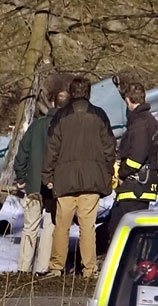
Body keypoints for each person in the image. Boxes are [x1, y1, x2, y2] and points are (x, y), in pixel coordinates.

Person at [41, 77, 116, 279]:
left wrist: (47, 174)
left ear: (71, 92)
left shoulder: (60, 116)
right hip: (92, 180)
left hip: (64, 179)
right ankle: (89, 268)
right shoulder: (100, 115)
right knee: (87, 226)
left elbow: (51, 149)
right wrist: (107, 172)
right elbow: (110, 148)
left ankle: (57, 267)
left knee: (62, 226)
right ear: (89, 93)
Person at [14, 90, 71, 274]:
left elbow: (23, 151)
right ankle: (43, 266)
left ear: (53, 103)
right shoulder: (66, 128)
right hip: (55, 185)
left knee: (29, 227)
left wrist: (21, 176)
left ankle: (23, 267)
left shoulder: (37, 126)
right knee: (50, 225)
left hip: (33, 184)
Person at [108, 82, 158, 237]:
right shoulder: (149, 121)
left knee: (120, 234)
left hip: (134, 188)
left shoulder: (139, 123)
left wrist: (121, 173)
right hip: (141, 188)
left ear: (128, 100)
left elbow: (135, 159)